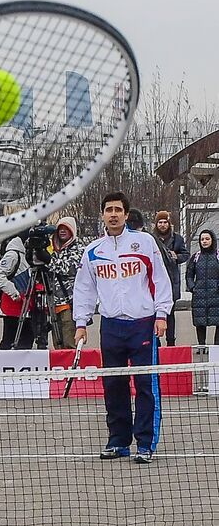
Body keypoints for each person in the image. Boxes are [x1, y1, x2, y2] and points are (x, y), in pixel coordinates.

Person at [73, 191, 173, 463]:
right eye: (109, 210)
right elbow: (84, 289)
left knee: (145, 385)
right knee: (114, 385)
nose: (114, 214)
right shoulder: (93, 251)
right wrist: (81, 323)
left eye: (118, 209)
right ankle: (118, 441)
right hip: (111, 327)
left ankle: (145, 443)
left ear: (126, 215)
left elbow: (160, 280)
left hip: (143, 324)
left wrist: (162, 314)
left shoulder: (144, 243)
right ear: (103, 215)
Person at [47, 217, 86, 349]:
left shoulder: (79, 248)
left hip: (70, 303)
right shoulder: (52, 248)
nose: (62, 231)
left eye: (66, 228)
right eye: (60, 229)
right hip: (53, 303)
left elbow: (69, 268)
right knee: (57, 346)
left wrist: (48, 260)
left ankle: (72, 367)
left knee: (69, 344)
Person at [0, 235, 36, 350]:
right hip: (13, 305)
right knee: (10, 340)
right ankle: (2, 365)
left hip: (27, 304)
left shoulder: (29, 255)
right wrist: (14, 293)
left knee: (27, 339)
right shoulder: (13, 254)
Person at [152, 210, 188, 346]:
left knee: (170, 314)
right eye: (160, 222)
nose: (162, 225)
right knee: (155, 314)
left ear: (169, 223)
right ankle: (156, 342)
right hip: (155, 281)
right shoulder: (151, 238)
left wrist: (176, 257)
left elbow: (185, 254)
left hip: (171, 280)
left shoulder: (177, 238)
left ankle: (171, 342)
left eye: (165, 222)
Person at [188, 230, 219, 346]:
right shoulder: (196, 257)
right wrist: (192, 287)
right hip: (199, 295)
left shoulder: (217, 255)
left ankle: (217, 347)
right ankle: (202, 345)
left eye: (207, 239)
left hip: (216, 294)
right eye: (202, 239)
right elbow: (189, 274)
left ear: (212, 240)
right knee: (200, 322)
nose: (204, 241)